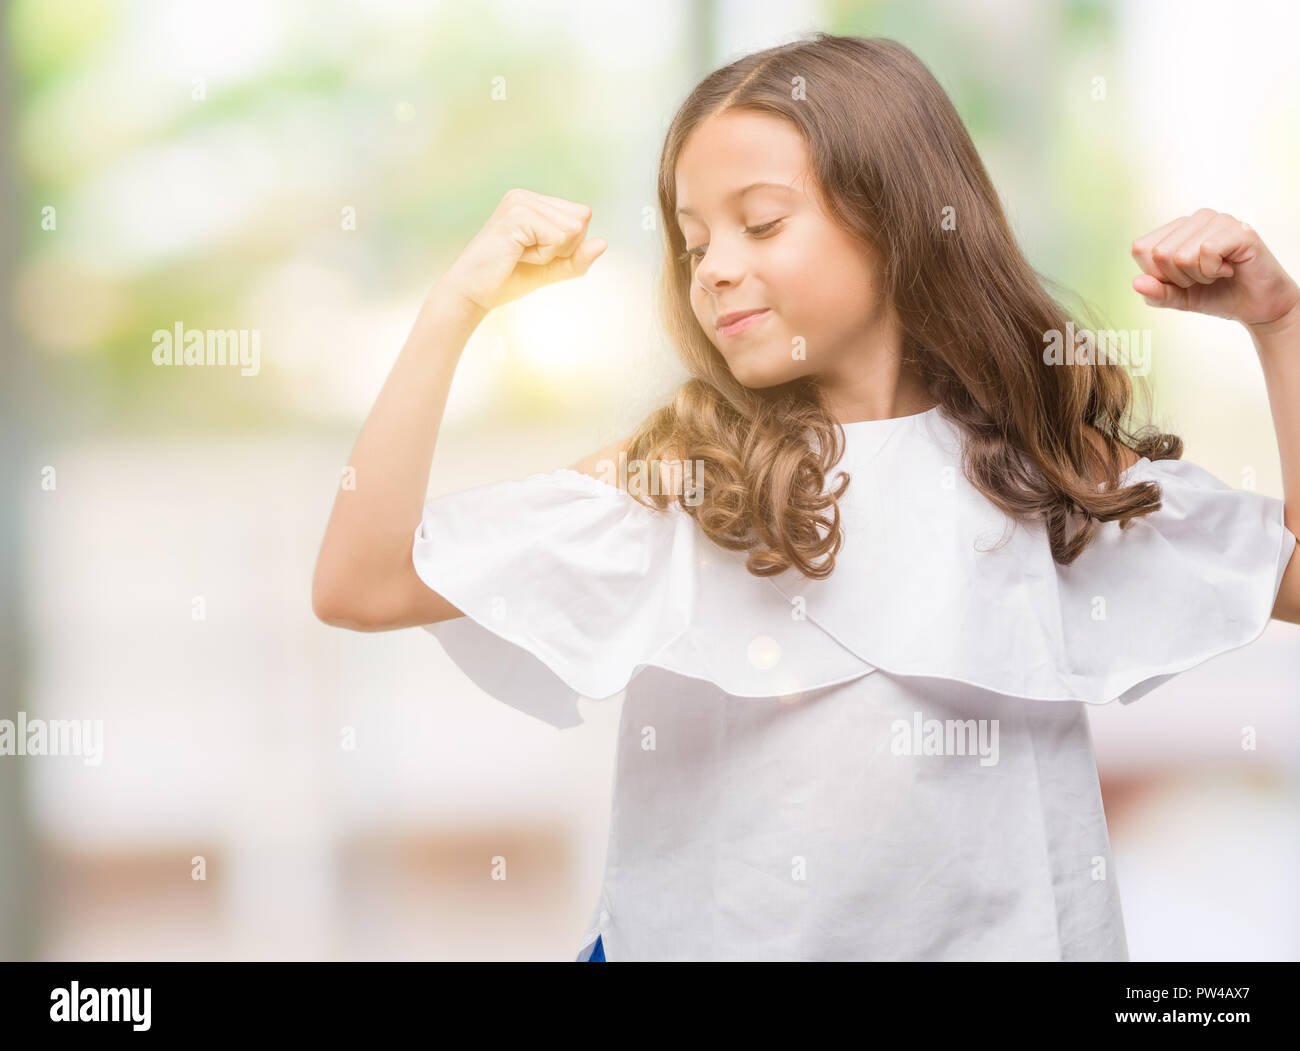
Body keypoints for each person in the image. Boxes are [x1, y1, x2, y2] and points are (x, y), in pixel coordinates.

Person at [311, 34, 1300, 962]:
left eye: (762, 222)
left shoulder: (1042, 472)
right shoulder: (688, 476)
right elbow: (361, 584)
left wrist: (1279, 324)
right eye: (694, 242)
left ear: (898, 218)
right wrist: (456, 307)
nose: (716, 269)